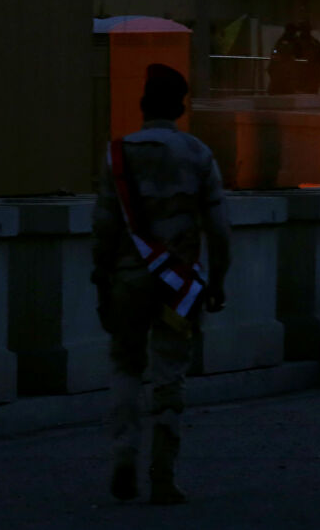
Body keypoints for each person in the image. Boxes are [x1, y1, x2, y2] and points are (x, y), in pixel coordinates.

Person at [91, 64, 231, 504]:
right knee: (170, 372)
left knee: (126, 367)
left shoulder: (117, 155)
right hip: (178, 285)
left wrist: (102, 280)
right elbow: (219, 227)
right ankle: (163, 475)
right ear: (180, 108)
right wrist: (218, 280)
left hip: (129, 282)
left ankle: (123, 458)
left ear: (142, 106)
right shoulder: (197, 153)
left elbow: (104, 229)